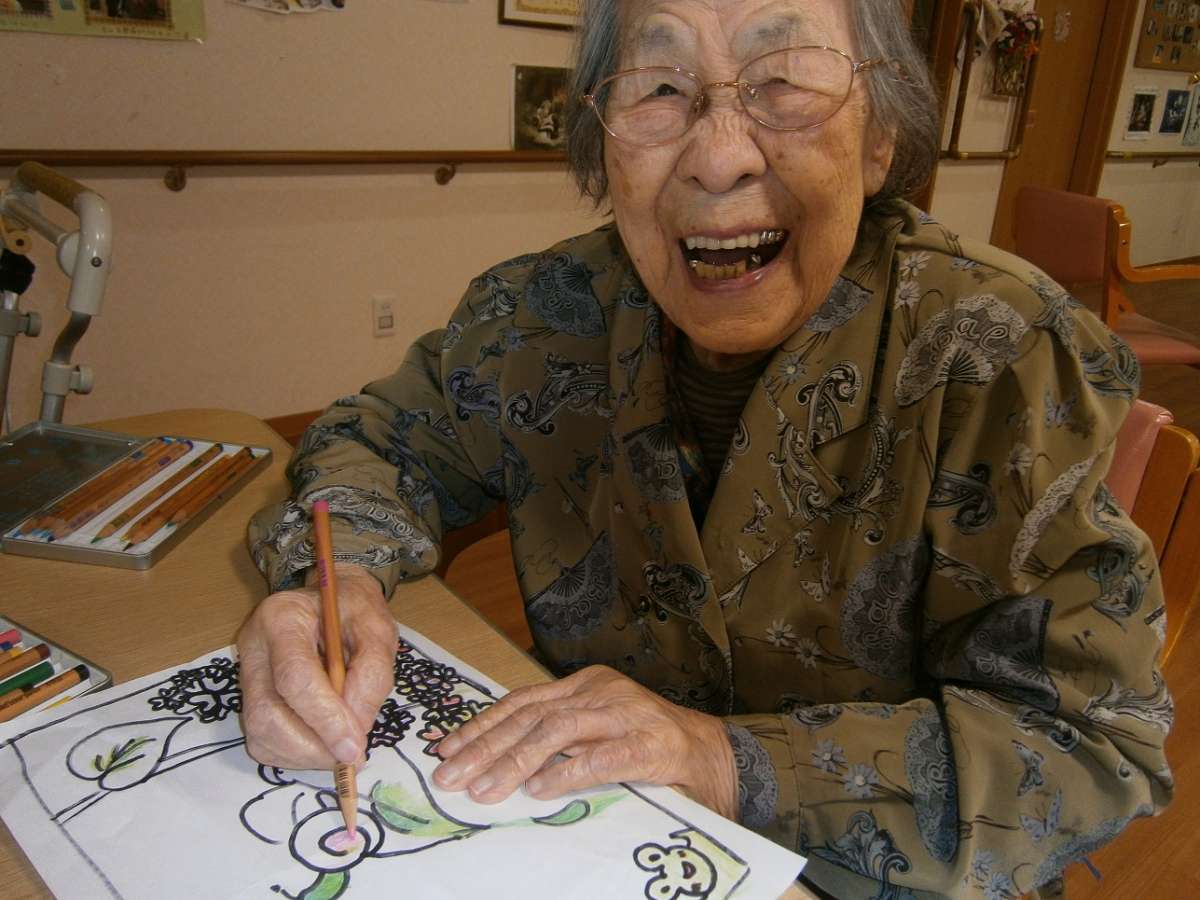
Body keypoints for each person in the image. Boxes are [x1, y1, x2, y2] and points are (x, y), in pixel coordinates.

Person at [238, 1, 1173, 896]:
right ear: (603, 145)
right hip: (586, 843)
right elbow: (375, 442)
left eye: (785, 80)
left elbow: (1092, 750)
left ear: (880, 137)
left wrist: (721, 760)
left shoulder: (1000, 349)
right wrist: (336, 581)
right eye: (660, 89)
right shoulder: (538, 317)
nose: (720, 159)